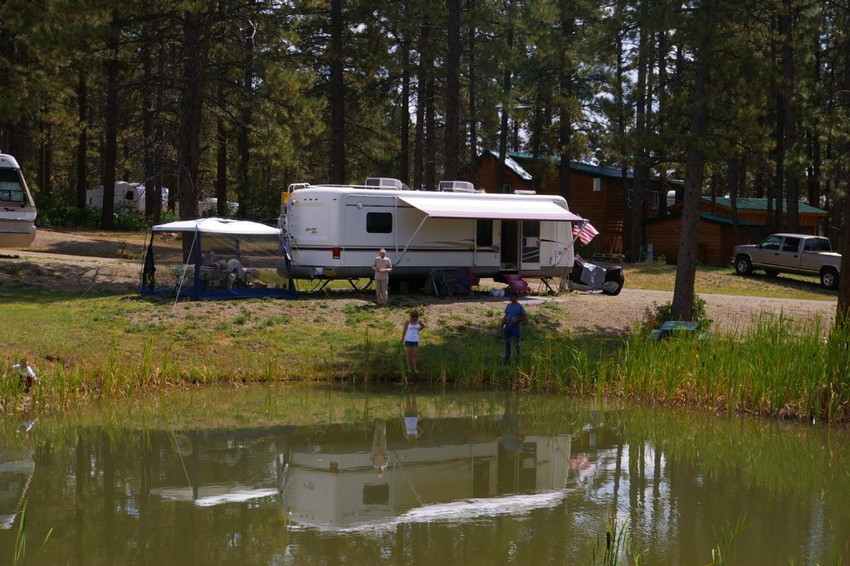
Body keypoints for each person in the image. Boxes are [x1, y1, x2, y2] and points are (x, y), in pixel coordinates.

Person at [502, 293, 527, 363]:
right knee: (507, 344)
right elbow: (506, 315)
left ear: (516, 298)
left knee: (516, 344)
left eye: (512, 297)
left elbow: (525, 317)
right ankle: (507, 360)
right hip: (508, 327)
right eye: (510, 298)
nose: (511, 299)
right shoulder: (508, 305)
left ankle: (517, 360)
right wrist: (502, 325)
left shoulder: (519, 306)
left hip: (515, 327)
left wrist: (517, 320)